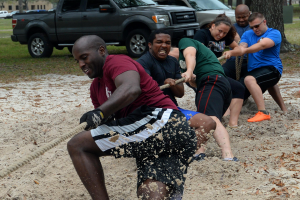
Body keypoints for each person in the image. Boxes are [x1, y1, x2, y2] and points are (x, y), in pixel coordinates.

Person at [67, 35, 198, 199]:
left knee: (77, 145)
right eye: (77, 60)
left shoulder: (116, 62)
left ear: (101, 50)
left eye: (84, 57)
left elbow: (131, 88)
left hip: (162, 123)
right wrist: (99, 118)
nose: (81, 64)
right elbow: (112, 123)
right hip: (160, 138)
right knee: (149, 192)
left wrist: (100, 112)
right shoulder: (96, 89)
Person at [137, 29, 216, 161]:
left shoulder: (172, 62)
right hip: (151, 112)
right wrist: (163, 82)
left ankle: (182, 155)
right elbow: (145, 92)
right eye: (159, 42)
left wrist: (173, 85)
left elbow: (180, 94)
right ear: (150, 45)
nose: (164, 46)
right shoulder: (142, 63)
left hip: (172, 110)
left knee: (208, 123)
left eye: (167, 43)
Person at [178, 37, 238, 161]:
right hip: (220, 84)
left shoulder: (185, 42)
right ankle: (199, 152)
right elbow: (194, 83)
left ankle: (228, 156)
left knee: (211, 118)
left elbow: (190, 54)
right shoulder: (182, 62)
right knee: (205, 120)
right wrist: (192, 77)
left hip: (212, 81)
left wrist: (189, 71)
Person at [224, 5, 287, 114]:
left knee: (249, 79)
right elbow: (242, 46)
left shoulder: (274, 33)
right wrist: (233, 51)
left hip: (272, 69)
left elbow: (261, 45)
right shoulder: (248, 34)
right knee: (237, 90)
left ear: (264, 22)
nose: (254, 29)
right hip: (254, 71)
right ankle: (225, 115)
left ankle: (262, 112)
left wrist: (244, 50)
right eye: (252, 27)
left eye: (257, 26)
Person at [193, 14, 245, 128]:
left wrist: (231, 52)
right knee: (208, 95)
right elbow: (196, 53)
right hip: (200, 73)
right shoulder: (202, 34)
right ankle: (205, 122)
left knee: (239, 88)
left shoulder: (224, 37)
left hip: (216, 73)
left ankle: (233, 123)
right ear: (212, 26)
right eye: (219, 31)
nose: (221, 35)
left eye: (224, 33)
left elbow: (239, 50)